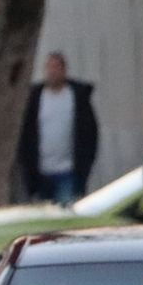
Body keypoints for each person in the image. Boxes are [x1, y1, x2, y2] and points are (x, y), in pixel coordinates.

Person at [16, 52, 98, 204]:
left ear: (64, 70)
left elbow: (90, 133)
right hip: (41, 173)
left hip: (68, 172)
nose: (52, 71)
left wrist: (84, 166)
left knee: (65, 215)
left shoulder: (77, 97)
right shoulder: (35, 98)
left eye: (56, 67)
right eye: (49, 67)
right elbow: (26, 135)